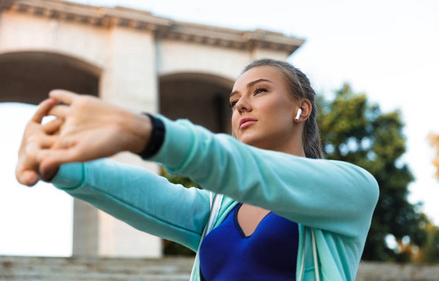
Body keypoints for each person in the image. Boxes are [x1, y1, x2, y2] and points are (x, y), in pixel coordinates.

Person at [16, 59, 379, 281]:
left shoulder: (351, 189)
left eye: (260, 91)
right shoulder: (218, 209)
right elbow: (148, 195)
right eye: (234, 101)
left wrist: (143, 131)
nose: (242, 106)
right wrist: (56, 163)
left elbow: (243, 169)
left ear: (302, 109)